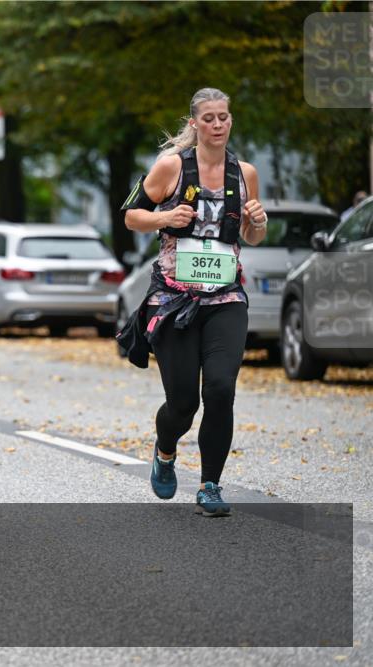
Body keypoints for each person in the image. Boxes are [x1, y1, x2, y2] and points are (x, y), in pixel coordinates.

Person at [120, 87, 268, 517]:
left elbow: (252, 236)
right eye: (209, 118)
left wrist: (258, 223)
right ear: (194, 124)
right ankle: (165, 450)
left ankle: (210, 486)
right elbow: (131, 215)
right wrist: (165, 217)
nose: (218, 124)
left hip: (226, 298)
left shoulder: (245, 174)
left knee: (220, 389)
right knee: (184, 403)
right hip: (174, 300)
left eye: (224, 117)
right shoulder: (171, 167)